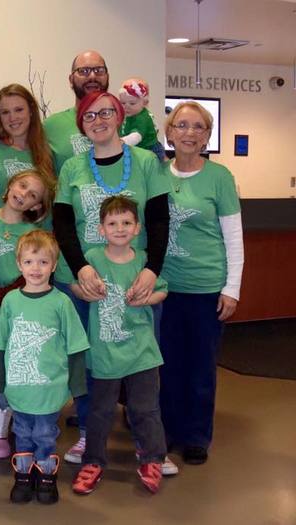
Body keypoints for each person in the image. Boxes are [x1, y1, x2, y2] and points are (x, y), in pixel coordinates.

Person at [52, 91, 172, 470]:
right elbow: (63, 224)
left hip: (134, 279)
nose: (99, 120)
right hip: (84, 280)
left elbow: (159, 220)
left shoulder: (145, 162)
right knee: (90, 364)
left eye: (106, 112)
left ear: (120, 116)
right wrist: (79, 270)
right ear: (81, 125)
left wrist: (152, 270)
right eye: (89, 115)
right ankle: (90, 435)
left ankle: (146, 444)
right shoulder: (72, 167)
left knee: (141, 364)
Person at [159, 101, 244, 465]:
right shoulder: (156, 173)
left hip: (206, 289)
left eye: (198, 127)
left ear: (207, 135)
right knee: (166, 365)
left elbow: (234, 237)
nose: (189, 133)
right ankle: (165, 431)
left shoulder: (219, 177)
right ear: (169, 132)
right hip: (164, 288)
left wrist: (232, 288)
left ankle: (196, 436)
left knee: (200, 367)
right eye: (181, 125)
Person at [70, 196, 168, 495]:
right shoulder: (92, 259)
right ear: (101, 229)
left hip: (142, 352)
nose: (120, 228)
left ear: (137, 228)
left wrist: (147, 298)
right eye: (112, 223)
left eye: (127, 222)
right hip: (105, 353)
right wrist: (84, 292)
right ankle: (93, 461)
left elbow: (162, 291)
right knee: (100, 411)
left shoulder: (144, 261)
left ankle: (152, 459)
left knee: (145, 409)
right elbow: (73, 285)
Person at [0, 230, 89, 505]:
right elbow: (0, 345)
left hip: (49, 389)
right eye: (29, 262)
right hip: (18, 388)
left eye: (43, 262)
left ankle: (46, 476)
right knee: (22, 433)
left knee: (44, 434)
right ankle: (23, 476)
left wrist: (77, 387)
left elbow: (76, 347)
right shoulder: (10, 301)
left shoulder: (61, 302)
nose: (36, 268)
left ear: (54, 266)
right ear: (19, 264)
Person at [0, 169, 54, 459]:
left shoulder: (32, 233)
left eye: (33, 195)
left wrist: (10, 294)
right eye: (22, 185)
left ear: (36, 206)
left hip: (17, 313)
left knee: (14, 368)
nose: (23, 194)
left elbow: (35, 269)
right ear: (10, 185)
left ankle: (18, 422)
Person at [0, 84, 55, 216]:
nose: (12, 118)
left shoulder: (47, 153)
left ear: (31, 110)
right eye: (5, 112)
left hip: (39, 229)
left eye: (19, 110)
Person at [43, 50, 110, 172]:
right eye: (83, 71)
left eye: (99, 70)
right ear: (71, 80)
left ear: (107, 76)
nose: (92, 76)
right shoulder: (51, 126)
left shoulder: (124, 121)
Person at [118, 77, 165, 160]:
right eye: (123, 103)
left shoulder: (143, 117)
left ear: (144, 103)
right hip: (136, 148)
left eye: (132, 103)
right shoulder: (124, 115)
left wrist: (119, 143)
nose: (126, 107)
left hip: (150, 150)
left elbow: (136, 137)